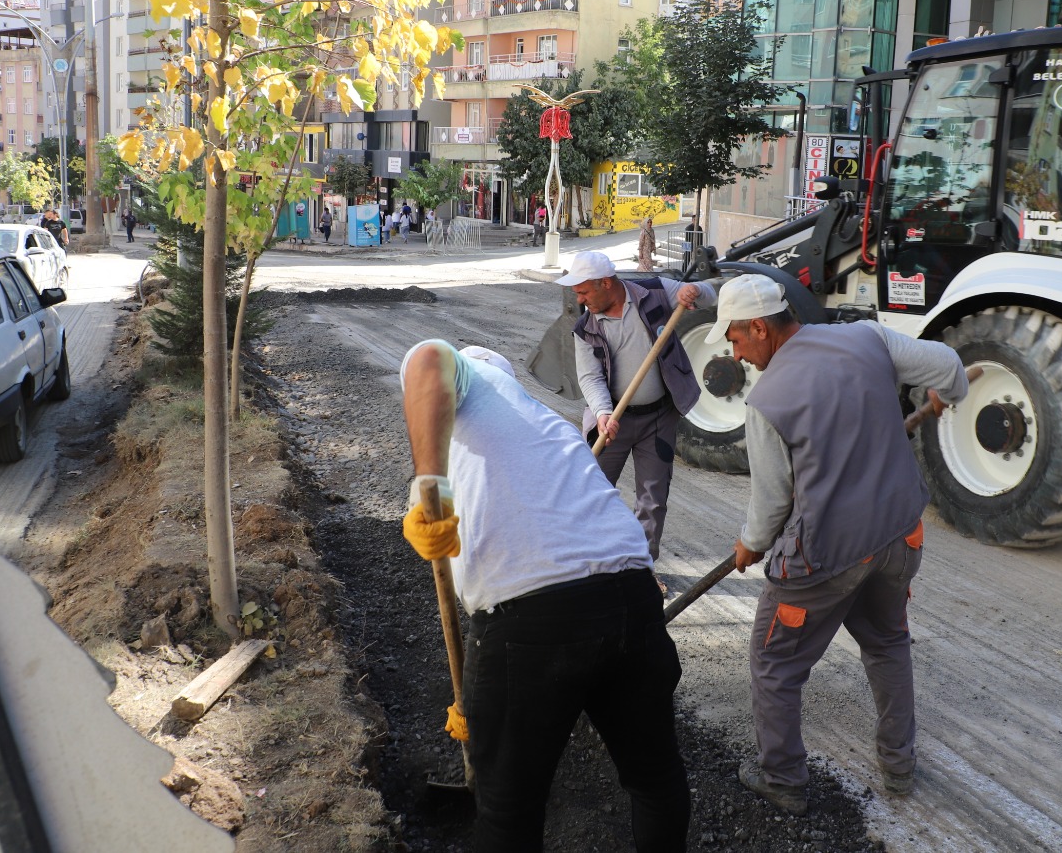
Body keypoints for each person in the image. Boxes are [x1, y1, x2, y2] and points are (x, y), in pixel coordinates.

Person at [399, 340, 690, 853]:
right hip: (633, 602)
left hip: (533, 620)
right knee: (654, 778)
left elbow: (427, 359)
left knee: (508, 810)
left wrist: (432, 497)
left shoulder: (472, 377)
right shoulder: (545, 422)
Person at [713, 275, 968, 816]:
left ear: (760, 327)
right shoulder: (865, 338)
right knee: (886, 643)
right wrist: (951, 393)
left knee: (774, 664)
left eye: (735, 339)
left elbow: (772, 505)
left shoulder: (766, 402)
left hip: (825, 557)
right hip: (898, 536)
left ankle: (781, 778)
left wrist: (749, 545)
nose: (735, 354)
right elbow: (946, 364)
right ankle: (899, 769)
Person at [559, 250, 716, 562]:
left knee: (653, 497)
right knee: (595, 492)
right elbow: (589, 377)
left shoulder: (656, 292)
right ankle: (594, 561)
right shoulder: (585, 328)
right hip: (613, 420)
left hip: (658, 417)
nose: (580, 299)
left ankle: (642, 566)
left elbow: (711, 295)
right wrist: (603, 413)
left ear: (605, 283)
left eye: (584, 291)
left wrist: (696, 290)